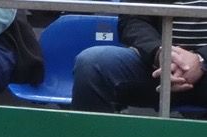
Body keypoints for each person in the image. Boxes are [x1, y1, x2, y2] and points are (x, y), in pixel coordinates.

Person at [72, 1, 207, 112]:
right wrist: (159, 52)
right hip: (156, 66)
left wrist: (201, 60)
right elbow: (133, 19)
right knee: (92, 64)